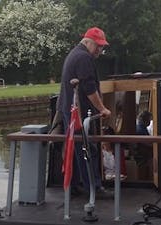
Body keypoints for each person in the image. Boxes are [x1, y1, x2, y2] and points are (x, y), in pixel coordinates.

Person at [57, 27, 112, 198]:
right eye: (98, 46)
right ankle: (94, 189)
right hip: (79, 113)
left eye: (102, 47)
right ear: (87, 41)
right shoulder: (83, 58)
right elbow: (89, 88)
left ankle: (73, 186)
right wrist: (102, 109)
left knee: (74, 149)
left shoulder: (74, 54)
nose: (100, 50)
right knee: (88, 149)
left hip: (70, 111)